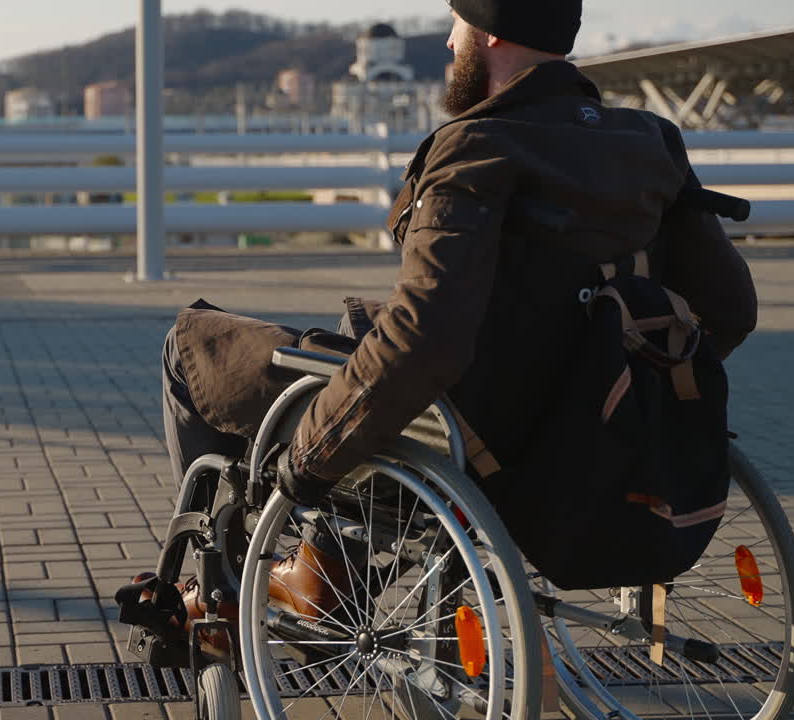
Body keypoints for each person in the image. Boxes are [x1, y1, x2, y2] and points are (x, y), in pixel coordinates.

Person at [140, 0, 758, 628]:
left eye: (457, 24)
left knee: (191, 343)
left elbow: (422, 339)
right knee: (370, 373)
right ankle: (323, 566)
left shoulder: (476, 147)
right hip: (585, 446)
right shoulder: (649, 140)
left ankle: (226, 586)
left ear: (488, 34)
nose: (448, 43)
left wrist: (307, 462)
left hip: (467, 442)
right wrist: (609, 390)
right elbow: (728, 309)